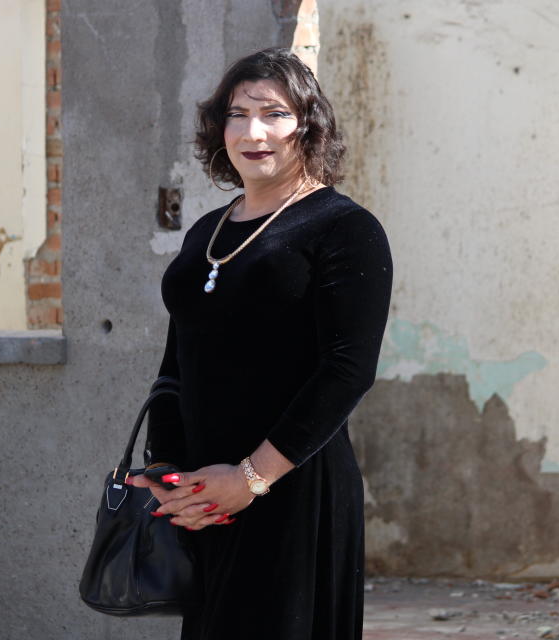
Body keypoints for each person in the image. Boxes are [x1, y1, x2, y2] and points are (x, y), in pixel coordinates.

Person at [129, 47, 393, 640]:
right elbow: (178, 362)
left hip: (290, 487)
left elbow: (347, 370)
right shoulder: (209, 230)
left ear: (309, 126)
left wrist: (250, 478)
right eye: (237, 113)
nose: (253, 132)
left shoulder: (345, 229)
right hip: (203, 495)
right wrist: (166, 470)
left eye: (273, 113)